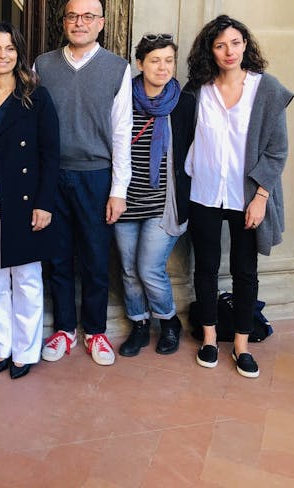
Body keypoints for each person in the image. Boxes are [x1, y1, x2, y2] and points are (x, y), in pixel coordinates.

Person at [185, 15, 293, 378]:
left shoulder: (266, 89)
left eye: (234, 42)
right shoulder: (197, 90)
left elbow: (277, 150)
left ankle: (243, 345)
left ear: (245, 44)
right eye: (219, 45)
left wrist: (261, 196)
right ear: (210, 51)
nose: (228, 51)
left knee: (245, 271)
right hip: (203, 193)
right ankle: (211, 338)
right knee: (205, 267)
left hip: (246, 196)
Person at [34, 0, 133, 366]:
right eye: (72, 16)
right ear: (64, 23)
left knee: (94, 259)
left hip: (96, 177)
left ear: (101, 23)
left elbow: (122, 131)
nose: (79, 22)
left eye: (88, 16)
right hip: (53, 176)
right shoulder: (42, 65)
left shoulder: (116, 67)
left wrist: (118, 191)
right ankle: (63, 329)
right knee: (57, 259)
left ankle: (95, 331)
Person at [0, 22, 60, 379]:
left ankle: (25, 351)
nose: (3, 55)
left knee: (25, 277)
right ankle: (1, 347)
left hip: (24, 199)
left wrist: (44, 202)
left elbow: (50, 153)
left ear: (19, 53)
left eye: (9, 49)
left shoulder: (35, 95)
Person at [114, 34, 195, 357]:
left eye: (169, 61)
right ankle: (139, 324)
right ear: (140, 63)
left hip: (164, 203)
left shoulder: (185, 103)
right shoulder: (122, 97)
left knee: (149, 268)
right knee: (129, 270)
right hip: (124, 200)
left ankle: (169, 321)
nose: (163, 67)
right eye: (155, 60)